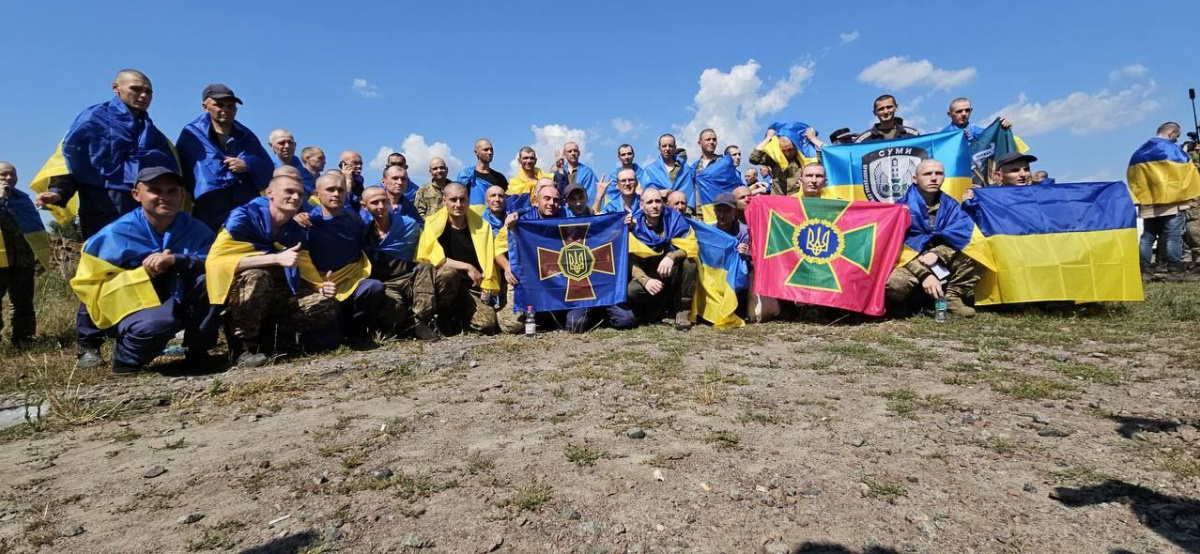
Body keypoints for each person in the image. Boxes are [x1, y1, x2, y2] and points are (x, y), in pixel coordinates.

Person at [32, 69, 178, 368]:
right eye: (137, 89)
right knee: (100, 272)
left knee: (144, 271)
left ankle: (134, 338)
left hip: (140, 212)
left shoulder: (150, 130)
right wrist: (58, 192)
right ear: (116, 88)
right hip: (102, 207)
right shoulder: (93, 120)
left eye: (148, 91)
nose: (143, 95)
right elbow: (70, 160)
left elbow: (165, 167)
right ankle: (89, 345)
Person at [70, 167, 218, 373]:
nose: (164, 197)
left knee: (211, 279)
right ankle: (125, 360)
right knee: (159, 323)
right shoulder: (115, 234)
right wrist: (142, 272)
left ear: (182, 195)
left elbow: (216, 262)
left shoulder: (196, 229)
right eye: (155, 190)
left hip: (179, 296)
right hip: (134, 303)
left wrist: (177, 260)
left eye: (172, 191)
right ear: (136, 195)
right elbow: (91, 286)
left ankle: (198, 351)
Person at [205, 175, 339, 367]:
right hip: (240, 291)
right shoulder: (243, 217)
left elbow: (303, 262)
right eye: (289, 192)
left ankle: (276, 340)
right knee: (258, 276)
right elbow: (217, 261)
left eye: (299, 194)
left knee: (325, 305)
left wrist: (320, 287)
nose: (295, 197)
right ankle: (242, 348)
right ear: (270, 193)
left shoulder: (293, 229)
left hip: (276, 293)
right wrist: (275, 258)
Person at [886, 160, 981, 317]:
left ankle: (951, 298)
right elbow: (896, 251)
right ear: (914, 179)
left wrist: (939, 254)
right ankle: (905, 303)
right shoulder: (900, 209)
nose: (934, 178)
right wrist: (925, 274)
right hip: (912, 263)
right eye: (927, 174)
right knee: (896, 283)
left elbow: (963, 237)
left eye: (939, 173)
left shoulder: (952, 207)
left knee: (978, 252)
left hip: (940, 261)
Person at [305, 172, 388, 347]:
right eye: (330, 190)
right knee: (328, 342)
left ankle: (356, 329)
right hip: (320, 286)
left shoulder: (354, 220)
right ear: (317, 194)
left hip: (351, 281)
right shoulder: (307, 223)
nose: (336, 194)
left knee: (374, 287)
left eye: (341, 190)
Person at [177, 84, 273, 231]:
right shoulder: (192, 134)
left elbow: (266, 165)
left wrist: (247, 164)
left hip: (243, 202)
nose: (226, 110)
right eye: (219, 105)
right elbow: (186, 169)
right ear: (205, 106)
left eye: (230, 106)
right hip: (209, 204)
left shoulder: (247, 135)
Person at [416, 182, 500, 335]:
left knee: (487, 325)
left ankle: (460, 316)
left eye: (462, 199)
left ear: (468, 200)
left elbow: (488, 262)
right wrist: (468, 267)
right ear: (444, 201)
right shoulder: (432, 224)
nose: (458, 204)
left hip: (470, 287)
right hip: (443, 284)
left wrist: (486, 283)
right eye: (453, 200)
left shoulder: (482, 226)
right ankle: (438, 315)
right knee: (449, 273)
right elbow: (433, 259)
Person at [360, 187, 438, 340]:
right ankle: (402, 323)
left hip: (410, 279)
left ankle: (421, 321)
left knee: (427, 267)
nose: (381, 206)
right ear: (365, 206)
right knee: (395, 314)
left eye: (384, 201)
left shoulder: (407, 225)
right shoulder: (363, 232)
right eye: (375, 203)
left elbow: (427, 247)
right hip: (386, 285)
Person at [1131, 122, 1196, 280]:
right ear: (1171, 133)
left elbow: (1133, 177)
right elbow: (1187, 170)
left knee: (1147, 237)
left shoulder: (1139, 152)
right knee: (1173, 237)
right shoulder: (1173, 150)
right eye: (1176, 137)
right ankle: (1175, 271)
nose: (1175, 140)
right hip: (1172, 202)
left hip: (1149, 202)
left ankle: (1145, 271)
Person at [627, 188, 697, 331]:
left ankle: (683, 311)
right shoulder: (635, 227)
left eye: (658, 201)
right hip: (651, 275)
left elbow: (691, 245)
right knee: (632, 290)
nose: (654, 205)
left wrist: (671, 256)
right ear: (642, 206)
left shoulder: (675, 219)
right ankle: (654, 309)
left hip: (673, 274)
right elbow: (631, 260)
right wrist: (645, 280)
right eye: (650, 202)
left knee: (690, 264)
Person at [0, 162, 51, 347]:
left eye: (12, 174)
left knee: (23, 301)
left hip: (22, 259)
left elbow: (35, 227)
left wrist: (41, 254)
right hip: (0, 260)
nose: (9, 178)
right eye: (4, 175)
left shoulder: (23, 199)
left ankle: (24, 338)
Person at [643, 134, 696, 210]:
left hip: (682, 212)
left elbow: (689, 192)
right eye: (664, 146)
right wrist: (659, 193)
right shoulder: (650, 171)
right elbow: (645, 195)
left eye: (670, 146)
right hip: (660, 213)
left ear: (675, 148)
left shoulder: (684, 167)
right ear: (659, 148)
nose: (667, 149)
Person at [455, 138, 509, 209]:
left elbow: (505, 201)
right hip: (471, 217)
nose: (490, 152)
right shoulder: (466, 175)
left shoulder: (500, 178)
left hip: (494, 218)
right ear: (476, 152)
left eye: (491, 150)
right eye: (485, 150)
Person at [749, 128, 805, 196]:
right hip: (777, 199)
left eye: (790, 150)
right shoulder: (775, 159)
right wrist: (768, 138)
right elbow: (753, 158)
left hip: (797, 199)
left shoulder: (804, 158)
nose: (787, 153)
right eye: (783, 150)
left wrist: (812, 139)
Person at [267, 129, 315, 196]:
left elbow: (310, 191)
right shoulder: (265, 167)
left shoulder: (301, 170)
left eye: (290, 142)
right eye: (281, 143)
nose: (287, 146)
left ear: (295, 145)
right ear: (271, 146)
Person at [854, 95, 920, 143]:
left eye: (889, 107)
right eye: (881, 109)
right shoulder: (863, 140)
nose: (885, 112)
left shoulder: (912, 135)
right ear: (875, 112)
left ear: (896, 107)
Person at [943, 97, 1012, 142]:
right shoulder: (943, 136)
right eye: (959, 111)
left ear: (971, 111)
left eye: (967, 110)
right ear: (949, 114)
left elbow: (998, 142)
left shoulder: (980, 132)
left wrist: (1004, 130)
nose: (964, 114)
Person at [508, 146, 552, 213]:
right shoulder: (514, 183)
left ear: (535, 161)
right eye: (525, 158)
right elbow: (512, 206)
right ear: (519, 161)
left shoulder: (546, 179)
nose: (528, 161)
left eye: (531, 158)